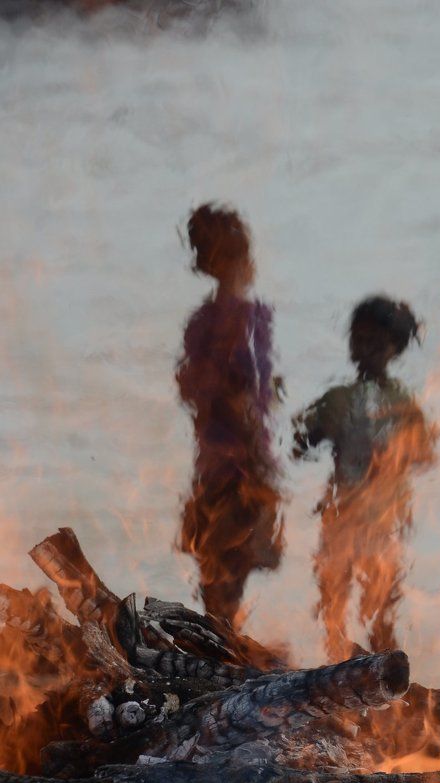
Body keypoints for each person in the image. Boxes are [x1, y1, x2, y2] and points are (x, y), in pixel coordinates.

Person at [293, 296, 437, 660]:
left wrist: (397, 453)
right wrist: (302, 432)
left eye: (377, 341)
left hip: (385, 520)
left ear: (395, 348)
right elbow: (302, 443)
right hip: (341, 516)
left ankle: (385, 686)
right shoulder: (338, 399)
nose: (366, 347)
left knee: (382, 612)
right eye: (360, 338)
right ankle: (338, 674)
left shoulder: (404, 403)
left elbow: (425, 454)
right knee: (334, 604)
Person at [176, 203, 283, 625]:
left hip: (213, 462)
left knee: (220, 568)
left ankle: (221, 639)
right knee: (230, 564)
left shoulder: (202, 321)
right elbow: (240, 393)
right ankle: (224, 642)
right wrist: (260, 458)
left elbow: (193, 389)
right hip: (239, 465)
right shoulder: (242, 320)